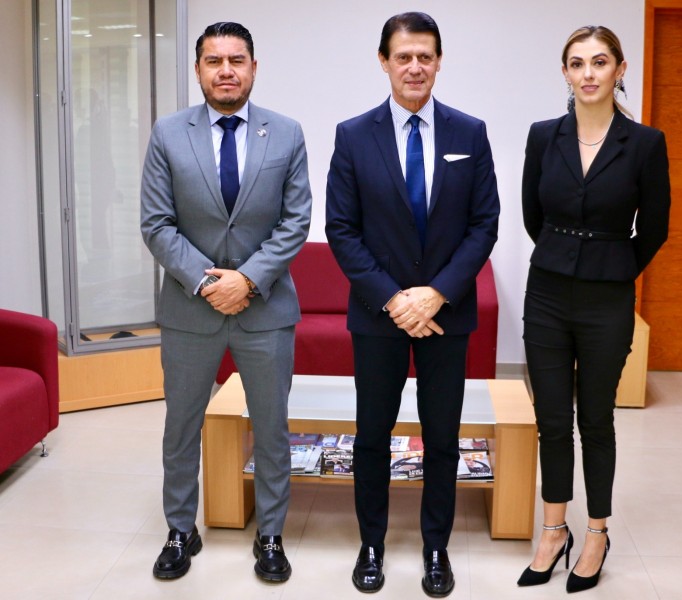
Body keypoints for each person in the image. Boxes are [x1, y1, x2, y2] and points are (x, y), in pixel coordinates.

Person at [325, 11, 500, 598]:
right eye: (403, 56)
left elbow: (484, 224)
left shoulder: (469, 132)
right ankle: (371, 544)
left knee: (443, 437)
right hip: (379, 314)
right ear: (384, 62)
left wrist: (437, 293)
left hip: (447, 314)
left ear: (439, 61)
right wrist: (395, 299)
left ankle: (436, 548)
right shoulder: (354, 135)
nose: (415, 67)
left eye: (425, 56)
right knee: (372, 435)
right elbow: (342, 229)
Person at [140, 21, 311, 583]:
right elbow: (157, 223)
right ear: (198, 70)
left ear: (254, 68)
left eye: (236, 60)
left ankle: (271, 533)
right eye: (214, 61)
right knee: (181, 426)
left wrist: (249, 280)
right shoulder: (169, 134)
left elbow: (295, 222)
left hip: (266, 310)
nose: (226, 71)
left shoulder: (285, 133)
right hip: (190, 310)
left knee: (272, 427)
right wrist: (210, 283)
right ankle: (179, 529)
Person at [518, 25, 670, 594]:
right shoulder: (543, 136)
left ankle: (598, 534)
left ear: (619, 70)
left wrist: (613, 263)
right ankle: (553, 531)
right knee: (553, 420)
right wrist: (564, 253)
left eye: (600, 62)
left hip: (608, 297)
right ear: (565, 73)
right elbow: (532, 213)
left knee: (596, 419)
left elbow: (654, 227)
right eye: (577, 63)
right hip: (547, 293)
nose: (588, 73)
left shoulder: (645, 143)